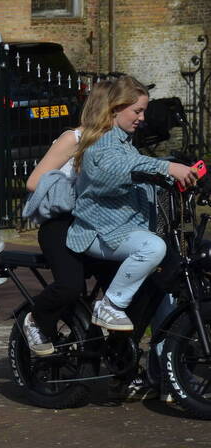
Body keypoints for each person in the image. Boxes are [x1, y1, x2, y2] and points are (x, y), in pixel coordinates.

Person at [66, 75, 198, 332]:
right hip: (99, 233)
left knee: (164, 287)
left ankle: (161, 364)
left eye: (144, 111)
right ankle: (110, 305)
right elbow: (122, 168)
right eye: (137, 111)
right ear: (116, 108)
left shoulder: (126, 144)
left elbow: (140, 167)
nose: (142, 118)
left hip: (124, 232)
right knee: (152, 248)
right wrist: (169, 167)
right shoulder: (102, 143)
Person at [20, 80, 115, 356]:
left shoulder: (117, 143)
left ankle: (108, 353)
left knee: (126, 286)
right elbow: (33, 182)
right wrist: (77, 191)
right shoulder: (73, 139)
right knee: (70, 286)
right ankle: (36, 319)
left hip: (96, 225)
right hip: (61, 224)